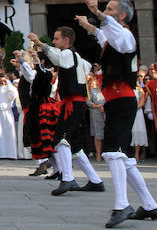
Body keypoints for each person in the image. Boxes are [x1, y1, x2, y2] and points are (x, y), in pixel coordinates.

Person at [77, 0, 157, 227]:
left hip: (123, 100)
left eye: (110, 9)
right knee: (122, 157)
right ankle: (151, 205)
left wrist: (97, 14)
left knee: (112, 152)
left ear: (122, 15)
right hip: (117, 100)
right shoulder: (114, 38)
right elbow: (104, 35)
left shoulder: (126, 37)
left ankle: (122, 205)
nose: (106, 11)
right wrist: (89, 25)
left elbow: (112, 32)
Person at [28, 27, 103, 195]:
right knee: (74, 144)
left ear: (66, 41)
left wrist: (40, 43)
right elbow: (88, 66)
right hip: (74, 103)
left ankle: (68, 178)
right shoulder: (75, 56)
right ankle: (95, 180)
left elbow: (58, 58)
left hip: (73, 104)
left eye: (56, 39)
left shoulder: (68, 54)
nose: (54, 42)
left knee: (60, 138)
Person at [88, 75, 106, 161]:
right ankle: (98, 153)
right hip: (96, 113)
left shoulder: (106, 90)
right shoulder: (93, 91)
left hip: (106, 113)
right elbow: (88, 102)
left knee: (107, 133)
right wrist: (97, 106)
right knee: (98, 134)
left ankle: (106, 153)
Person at [131, 78, 148, 161]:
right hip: (130, 113)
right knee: (132, 132)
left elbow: (141, 103)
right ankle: (131, 152)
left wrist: (132, 109)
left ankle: (138, 154)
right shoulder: (129, 90)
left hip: (138, 113)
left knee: (138, 132)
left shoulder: (140, 91)